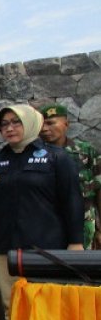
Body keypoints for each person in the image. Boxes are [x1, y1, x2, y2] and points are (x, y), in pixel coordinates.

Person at [0, 104, 84, 320]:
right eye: (4, 124)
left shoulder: (57, 158)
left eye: (16, 122)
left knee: (45, 308)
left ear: (31, 122)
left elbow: (72, 199)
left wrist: (75, 242)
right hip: (2, 247)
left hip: (45, 248)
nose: (10, 128)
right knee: (10, 308)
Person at [39, 103, 101, 249]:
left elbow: (99, 190)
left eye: (50, 123)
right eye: (41, 124)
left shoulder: (86, 152)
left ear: (66, 124)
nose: (44, 129)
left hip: (85, 226)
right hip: (49, 226)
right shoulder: (36, 154)